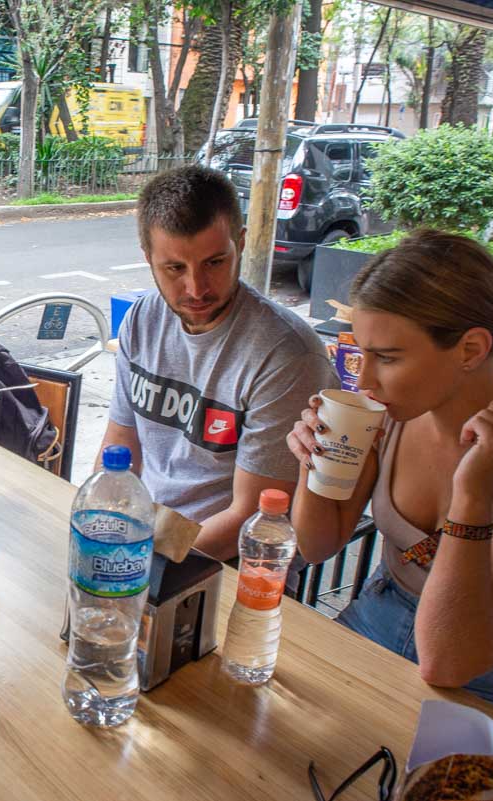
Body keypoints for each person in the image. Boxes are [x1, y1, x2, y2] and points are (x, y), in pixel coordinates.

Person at [285, 229, 493, 732]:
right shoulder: (389, 416)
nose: (364, 381)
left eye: (387, 357)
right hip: (376, 617)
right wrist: (314, 463)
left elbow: (450, 664)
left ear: (471, 348)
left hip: (490, 672)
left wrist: (472, 499)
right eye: (361, 353)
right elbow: (318, 545)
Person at [99, 165, 338, 559]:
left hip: (233, 567)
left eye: (214, 262)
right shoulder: (142, 319)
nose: (196, 288)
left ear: (240, 244)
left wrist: (138, 564)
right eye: (175, 268)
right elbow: (119, 446)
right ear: (148, 258)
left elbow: (250, 516)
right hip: (147, 541)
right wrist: (101, 524)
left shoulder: (287, 355)